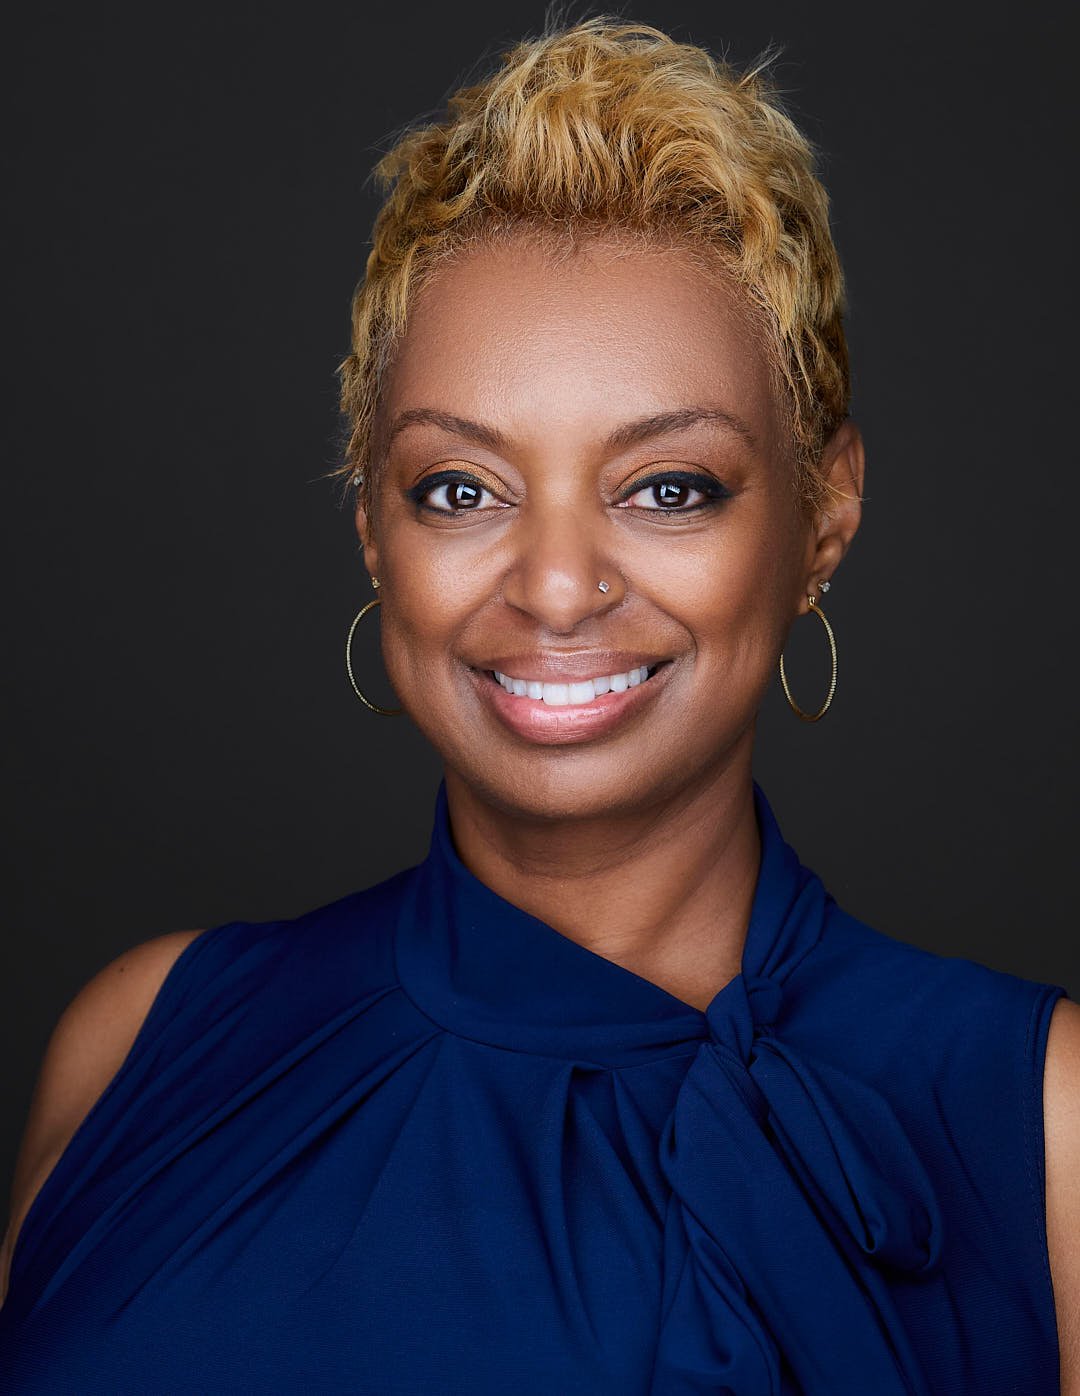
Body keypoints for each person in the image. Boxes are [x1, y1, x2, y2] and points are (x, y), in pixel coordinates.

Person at [1, 17, 1077, 1393]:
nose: (558, 587)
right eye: (462, 489)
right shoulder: (136, 1038)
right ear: (375, 533)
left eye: (668, 487)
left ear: (825, 514)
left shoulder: (1043, 1130)